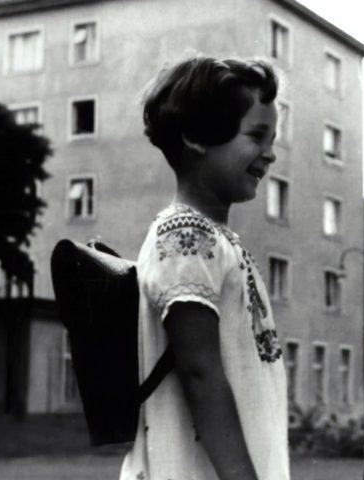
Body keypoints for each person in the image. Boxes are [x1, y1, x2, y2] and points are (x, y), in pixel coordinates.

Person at [120, 55, 289, 480]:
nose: (270, 154)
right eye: (256, 136)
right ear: (196, 137)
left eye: (272, 139)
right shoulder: (185, 237)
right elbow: (201, 374)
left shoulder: (216, 240)